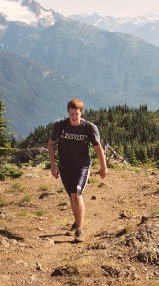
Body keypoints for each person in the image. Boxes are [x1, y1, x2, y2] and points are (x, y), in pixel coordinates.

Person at [48, 98, 108, 242]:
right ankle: (77, 220)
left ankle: (79, 231)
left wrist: (103, 167)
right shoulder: (60, 126)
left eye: (77, 114)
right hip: (65, 166)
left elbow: (98, 148)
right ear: (68, 112)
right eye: (71, 114)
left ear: (81, 113)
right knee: (72, 196)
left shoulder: (88, 127)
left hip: (82, 165)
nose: (74, 116)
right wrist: (53, 165)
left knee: (76, 194)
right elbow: (51, 144)